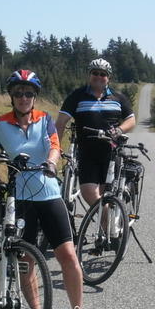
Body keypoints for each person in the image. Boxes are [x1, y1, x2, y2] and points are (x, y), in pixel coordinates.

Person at [0, 69, 93, 309]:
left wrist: (51, 162)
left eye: (28, 93)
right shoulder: (1, 124)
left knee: (68, 256)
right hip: (21, 199)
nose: (23, 98)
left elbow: (54, 145)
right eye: (18, 93)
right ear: (11, 97)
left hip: (49, 194)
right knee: (26, 259)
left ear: (35, 96)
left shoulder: (45, 119)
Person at [55, 58, 136, 208]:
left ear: (108, 78)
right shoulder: (77, 96)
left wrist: (119, 130)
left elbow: (131, 120)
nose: (98, 77)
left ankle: (109, 229)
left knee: (108, 197)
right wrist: (56, 148)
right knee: (89, 193)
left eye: (102, 74)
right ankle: (109, 226)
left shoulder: (118, 97)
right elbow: (60, 123)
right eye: (95, 73)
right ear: (89, 75)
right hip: (87, 154)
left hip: (111, 154)